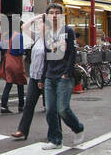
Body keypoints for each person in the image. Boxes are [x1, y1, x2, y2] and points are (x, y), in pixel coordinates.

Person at [31, 17, 86, 146]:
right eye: (51, 13)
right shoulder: (48, 34)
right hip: (50, 76)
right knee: (50, 110)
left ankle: (78, 128)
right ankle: (55, 140)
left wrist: (67, 73)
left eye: (57, 12)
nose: (54, 15)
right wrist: (42, 77)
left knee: (63, 109)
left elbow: (72, 53)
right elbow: (46, 58)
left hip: (64, 77)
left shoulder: (67, 31)